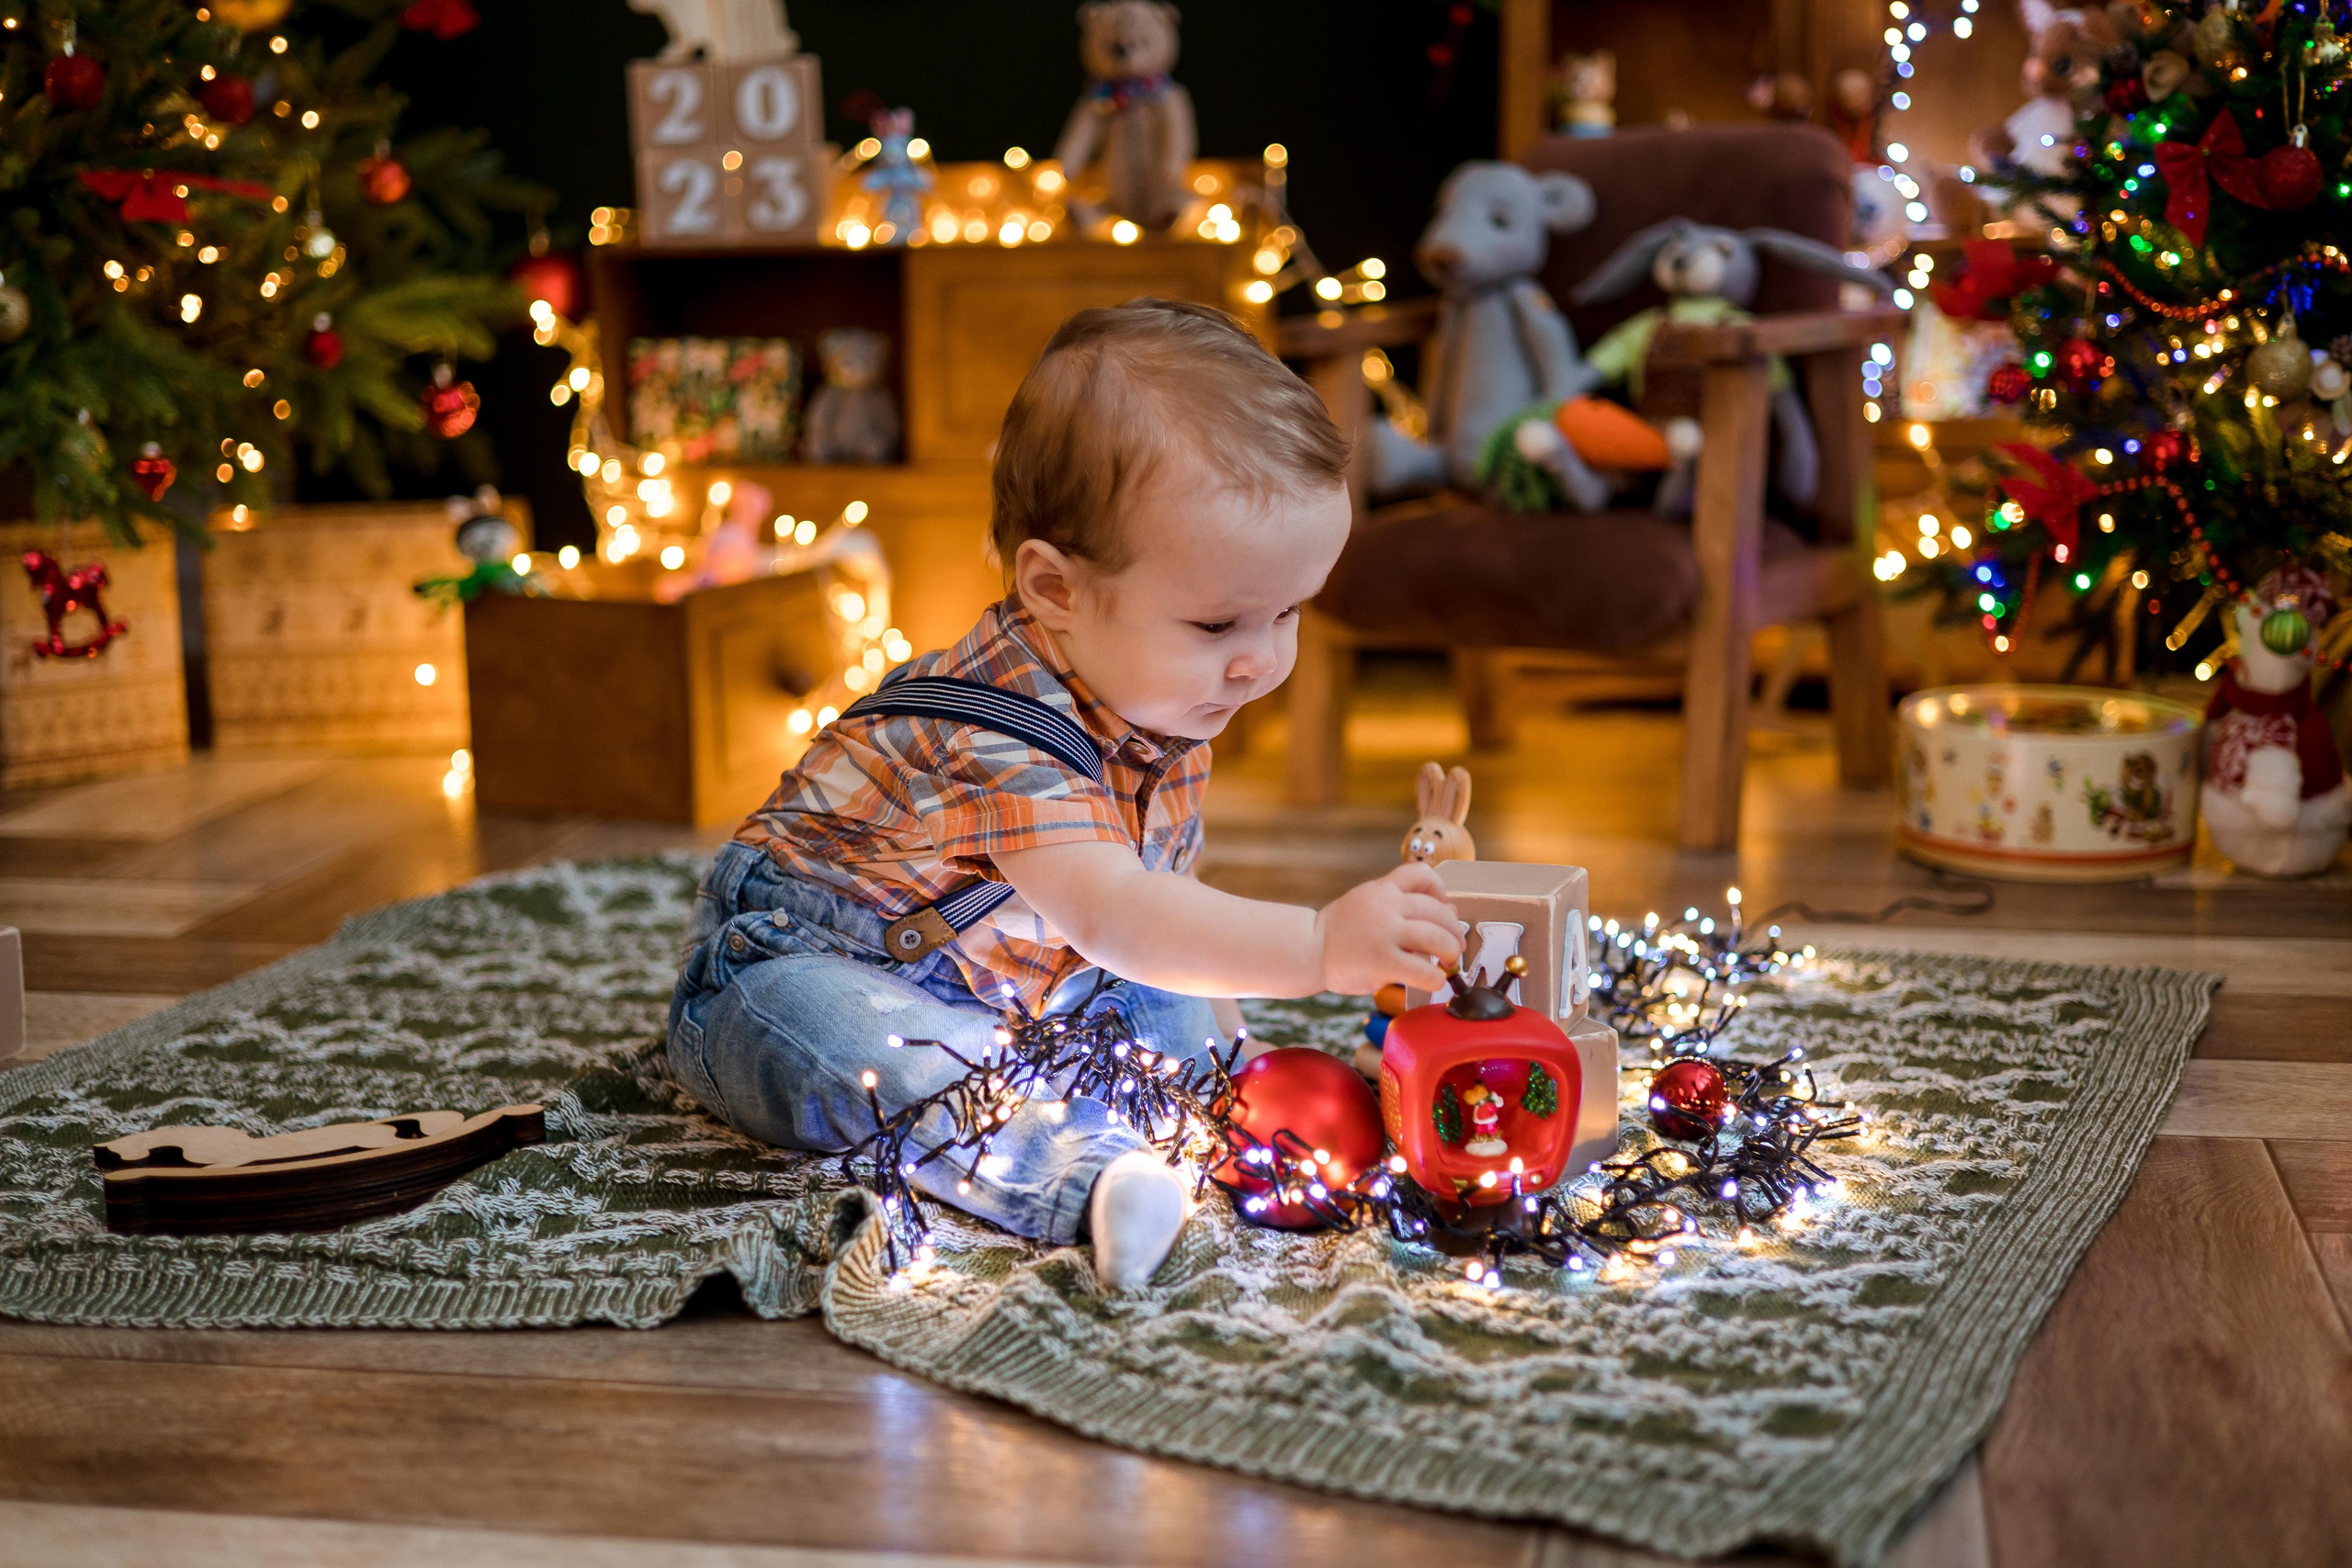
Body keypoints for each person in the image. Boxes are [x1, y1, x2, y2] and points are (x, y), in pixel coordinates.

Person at [669, 299, 1463, 1291]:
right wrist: (1313, 947)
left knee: (1179, 1014)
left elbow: (1158, 885)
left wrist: (1222, 1025)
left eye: (1288, 612)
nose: (1259, 662)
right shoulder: (995, 736)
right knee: (849, 1051)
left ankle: (1213, 1114)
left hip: (1025, 977)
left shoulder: (1158, 694)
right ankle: (1084, 1180)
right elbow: (1120, 910)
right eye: (1218, 624)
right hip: (802, 965)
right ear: (1053, 588)